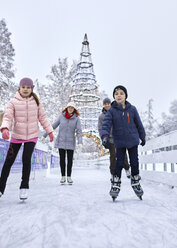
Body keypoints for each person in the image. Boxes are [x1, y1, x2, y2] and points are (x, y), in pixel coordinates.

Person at [0, 78, 54, 200]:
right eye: (23, 87)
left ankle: (24, 187)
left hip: (32, 136)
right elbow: (8, 117)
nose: (25, 89)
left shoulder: (37, 102)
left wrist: (49, 131)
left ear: (31, 89)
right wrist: (5, 128)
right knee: (9, 161)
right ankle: (0, 188)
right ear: (19, 88)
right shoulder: (13, 102)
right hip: (17, 136)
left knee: (26, 159)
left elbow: (43, 118)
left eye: (28, 87)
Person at [101, 85, 146, 199]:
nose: (119, 95)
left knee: (134, 162)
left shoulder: (132, 109)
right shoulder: (111, 110)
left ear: (125, 95)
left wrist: (143, 136)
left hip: (132, 140)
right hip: (119, 141)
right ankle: (116, 182)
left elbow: (139, 124)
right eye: (116, 94)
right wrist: (105, 136)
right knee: (119, 163)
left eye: (121, 93)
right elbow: (106, 124)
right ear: (114, 97)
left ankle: (135, 180)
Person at [43, 102, 82, 184]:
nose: (70, 109)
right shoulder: (61, 117)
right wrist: (45, 134)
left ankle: (69, 177)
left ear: (74, 109)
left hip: (70, 142)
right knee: (62, 160)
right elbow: (53, 126)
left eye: (72, 108)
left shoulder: (76, 119)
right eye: (69, 107)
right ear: (67, 108)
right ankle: (63, 176)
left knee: (70, 160)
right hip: (61, 141)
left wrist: (80, 142)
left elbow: (79, 131)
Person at [98, 97, 131, 179]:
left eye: (108, 103)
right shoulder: (101, 116)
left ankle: (127, 169)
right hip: (110, 138)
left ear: (110, 104)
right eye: (105, 104)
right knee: (113, 156)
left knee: (123, 154)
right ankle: (113, 173)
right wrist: (103, 138)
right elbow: (100, 128)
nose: (107, 105)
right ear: (103, 105)